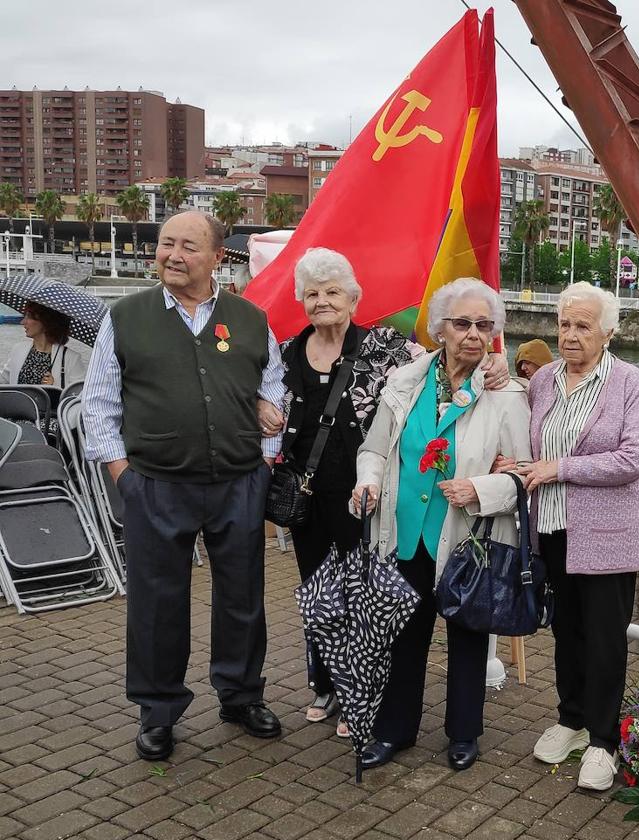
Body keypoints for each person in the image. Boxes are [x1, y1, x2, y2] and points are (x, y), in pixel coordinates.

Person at [264, 248, 510, 731]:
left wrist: (496, 368)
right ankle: (329, 685)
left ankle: (365, 690)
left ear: (353, 298)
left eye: (333, 292)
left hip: (369, 496)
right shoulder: (288, 351)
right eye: (312, 294)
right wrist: (257, 407)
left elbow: (443, 365)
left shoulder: (384, 347)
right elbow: (263, 394)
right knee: (320, 596)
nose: (322, 302)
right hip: (308, 495)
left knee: (368, 597)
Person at [81, 210, 287, 763]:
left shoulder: (249, 318)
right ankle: (158, 709)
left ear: (218, 257)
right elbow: (99, 403)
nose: (173, 254)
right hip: (156, 482)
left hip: (239, 480)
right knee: (156, 601)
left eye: (188, 246)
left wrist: (265, 461)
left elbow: (274, 388)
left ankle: (241, 696)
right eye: (166, 243)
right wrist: (122, 472)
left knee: (242, 596)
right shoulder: (125, 317)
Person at [352, 277, 530, 772]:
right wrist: (367, 483)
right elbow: (374, 450)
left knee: (467, 638)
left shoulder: (506, 395)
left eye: (483, 325)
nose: (473, 333)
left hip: (467, 541)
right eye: (462, 323)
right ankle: (394, 731)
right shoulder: (405, 382)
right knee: (402, 635)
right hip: (404, 535)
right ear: (440, 328)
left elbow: (523, 473)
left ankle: (464, 733)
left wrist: (481, 490)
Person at [521, 281, 639, 792]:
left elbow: (632, 459)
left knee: (603, 638)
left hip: (606, 532)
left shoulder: (629, 381)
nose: (570, 335)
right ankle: (571, 719)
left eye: (583, 326)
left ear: (608, 331)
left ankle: (604, 740)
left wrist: (560, 468)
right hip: (552, 528)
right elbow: (531, 438)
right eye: (565, 324)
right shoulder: (544, 380)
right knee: (566, 630)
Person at [2, 301, 87, 387]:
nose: (23, 322)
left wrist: (55, 386)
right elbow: (3, 381)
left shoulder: (72, 359)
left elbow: (78, 394)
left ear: (45, 321)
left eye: (29, 317)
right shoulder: (19, 349)